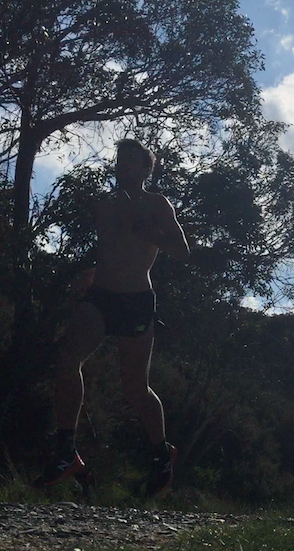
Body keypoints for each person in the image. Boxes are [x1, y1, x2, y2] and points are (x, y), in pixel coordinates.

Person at [35, 139, 190, 496]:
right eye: (121, 161)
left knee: (135, 388)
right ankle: (66, 451)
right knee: (66, 357)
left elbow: (182, 250)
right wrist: (92, 272)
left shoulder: (157, 204)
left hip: (136, 301)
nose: (125, 167)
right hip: (101, 297)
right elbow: (112, 249)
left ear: (146, 168)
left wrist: (151, 232)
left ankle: (161, 454)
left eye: (133, 162)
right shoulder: (105, 205)